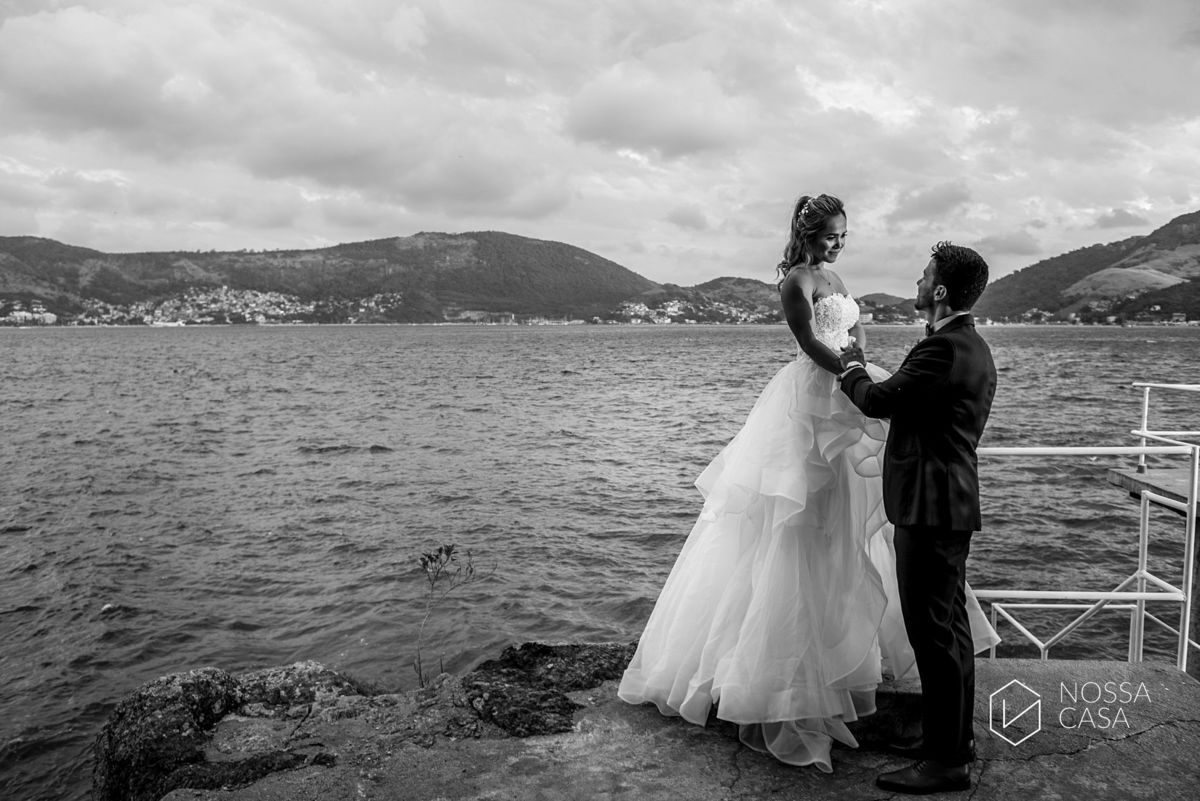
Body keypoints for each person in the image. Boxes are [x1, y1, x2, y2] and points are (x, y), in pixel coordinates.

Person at [617, 194, 998, 773]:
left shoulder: (926, 338)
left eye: (844, 236)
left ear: (940, 291)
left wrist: (861, 374)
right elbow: (811, 344)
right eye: (831, 237)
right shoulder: (796, 281)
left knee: (885, 573)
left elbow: (859, 349)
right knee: (793, 528)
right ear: (808, 235)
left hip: (864, 408)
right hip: (814, 401)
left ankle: (945, 751)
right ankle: (924, 733)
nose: (838, 246)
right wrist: (854, 376)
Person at [838, 241, 996, 794]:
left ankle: (947, 763)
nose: (918, 283)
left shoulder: (945, 349)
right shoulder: (967, 345)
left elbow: (879, 400)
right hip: (946, 504)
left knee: (933, 635)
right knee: (946, 631)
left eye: (925, 275)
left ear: (942, 290)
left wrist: (851, 364)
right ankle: (948, 740)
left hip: (930, 508)